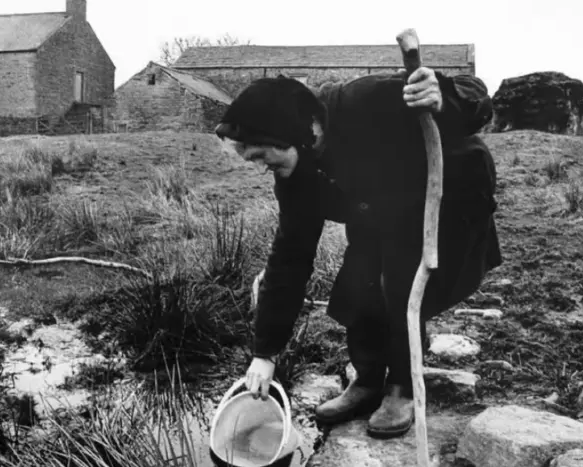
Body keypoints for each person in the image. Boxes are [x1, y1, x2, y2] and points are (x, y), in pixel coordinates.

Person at [213, 66, 502, 439]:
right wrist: (264, 353)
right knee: (357, 281)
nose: (259, 166)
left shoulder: (366, 100)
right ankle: (367, 381)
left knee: (397, 280)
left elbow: (474, 93)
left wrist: (443, 97)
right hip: (379, 207)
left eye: (258, 154)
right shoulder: (295, 177)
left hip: (450, 195)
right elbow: (289, 260)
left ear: (287, 133)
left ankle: (402, 387)